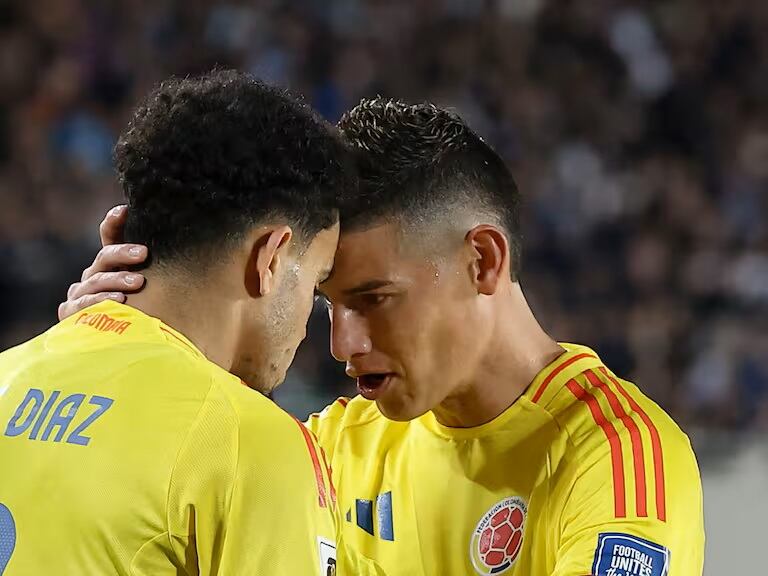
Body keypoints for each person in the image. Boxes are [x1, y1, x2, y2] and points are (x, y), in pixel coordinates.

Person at [59, 97, 705, 576]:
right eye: (326, 304)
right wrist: (117, 352)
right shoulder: (330, 452)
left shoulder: (619, 461)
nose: (342, 344)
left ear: (482, 260)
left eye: (373, 300)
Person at [0, 70, 377, 575]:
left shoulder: (10, 371)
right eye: (314, 283)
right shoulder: (247, 440)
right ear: (270, 257)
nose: (313, 331)